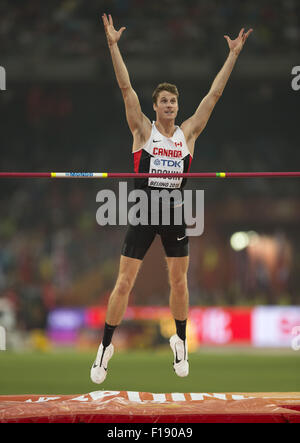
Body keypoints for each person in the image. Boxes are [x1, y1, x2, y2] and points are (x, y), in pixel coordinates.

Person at [91, 13, 252, 384]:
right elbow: (125, 88)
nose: (169, 106)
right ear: (155, 106)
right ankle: (105, 347)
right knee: (123, 283)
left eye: (173, 102)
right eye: (163, 101)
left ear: (178, 107)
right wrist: (113, 46)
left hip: (175, 212)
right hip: (144, 212)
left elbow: (214, 95)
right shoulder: (142, 130)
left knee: (179, 283)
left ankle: (180, 340)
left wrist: (233, 55)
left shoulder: (188, 134)